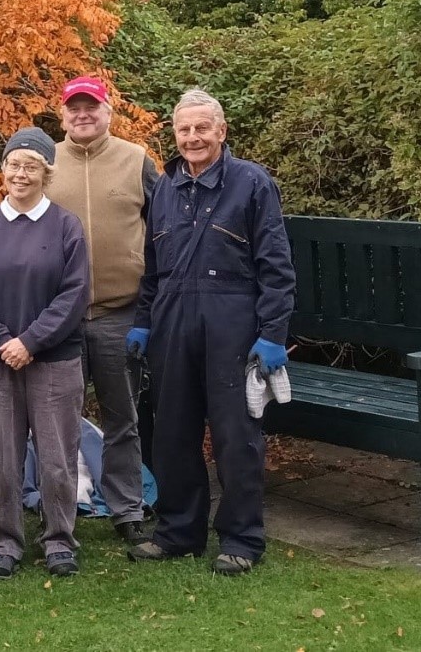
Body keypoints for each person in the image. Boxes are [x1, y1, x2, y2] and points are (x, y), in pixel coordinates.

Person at [127, 90, 295, 576]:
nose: (194, 137)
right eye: (185, 129)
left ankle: (242, 538)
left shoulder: (251, 183)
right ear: (174, 135)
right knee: (172, 431)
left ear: (221, 132)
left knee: (235, 434)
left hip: (233, 322)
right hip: (173, 318)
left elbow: (277, 266)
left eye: (203, 128)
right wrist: (143, 321)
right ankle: (178, 533)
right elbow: (152, 270)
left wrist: (272, 334)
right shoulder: (164, 190)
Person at [0, 128, 91, 582]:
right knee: (3, 459)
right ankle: (4, 542)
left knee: (57, 459)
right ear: (4, 170)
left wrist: (30, 341)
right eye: (14, 164)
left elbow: (75, 294)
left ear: (46, 173)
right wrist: (3, 342)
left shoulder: (65, 226)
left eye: (30, 166)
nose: (20, 173)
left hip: (53, 360)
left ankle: (59, 540)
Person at [49, 75, 159, 546]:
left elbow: (164, 230)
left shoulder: (136, 160)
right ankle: (60, 513)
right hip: (60, 317)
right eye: (74, 108)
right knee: (59, 421)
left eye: (90, 106)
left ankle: (127, 509)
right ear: (62, 115)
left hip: (120, 313)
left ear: (108, 110)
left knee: (123, 418)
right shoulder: (45, 163)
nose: (82, 114)